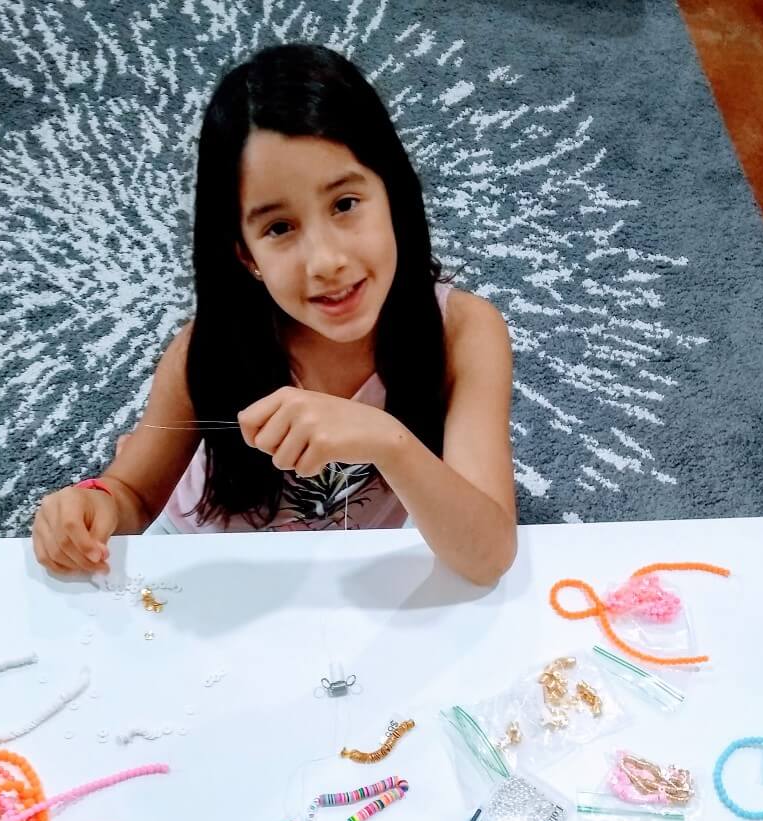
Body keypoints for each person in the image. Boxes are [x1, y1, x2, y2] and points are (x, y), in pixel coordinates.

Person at [32, 43, 516, 585]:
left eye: (345, 204)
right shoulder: (207, 350)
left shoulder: (464, 331)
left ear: (394, 195)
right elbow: (133, 494)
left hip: (356, 573)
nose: (327, 262)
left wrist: (387, 439)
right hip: (216, 567)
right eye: (279, 228)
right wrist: (89, 504)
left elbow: (489, 555)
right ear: (247, 257)